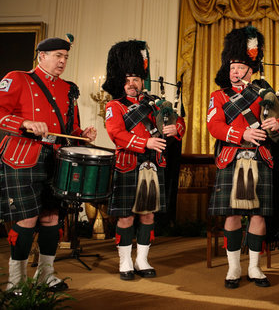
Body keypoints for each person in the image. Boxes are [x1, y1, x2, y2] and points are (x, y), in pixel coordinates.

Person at [0, 35, 97, 292]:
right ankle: (16, 281)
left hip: (56, 159)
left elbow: (69, 128)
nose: (63, 61)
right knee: (27, 219)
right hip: (22, 157)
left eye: (66, 57)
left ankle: (46, 275)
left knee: (52, 219)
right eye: (58, 56)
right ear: (42, 56)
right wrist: (24, 123)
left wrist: (82, 134)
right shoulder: (18, 78)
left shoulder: (67, 89)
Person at [207, 26, 279, 289]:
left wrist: (278, 125)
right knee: (232, 214)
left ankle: (255, 268)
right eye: (232, 67)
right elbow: (214, 126)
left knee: (258, 215)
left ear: (252, 68)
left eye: (241, 67)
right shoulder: (219, 96)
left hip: (261, 158)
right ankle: (234, 268)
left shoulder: (264, 93)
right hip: (232, 158)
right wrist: (242, 132)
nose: (235, 72)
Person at [102, 40, 185, 280]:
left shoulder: (154, 105)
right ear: (120, 82)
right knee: (126, 215)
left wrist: (174, 129)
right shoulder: (114, 106)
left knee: (148, 215)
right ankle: (125, 261)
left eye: (136, 79)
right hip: (128, 163)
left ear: (142, 81)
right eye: (127, 80)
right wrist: (145, 143)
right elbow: (116, 134)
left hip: (152, 166)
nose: (131, 84)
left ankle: (142, 259)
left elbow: (178, 123)